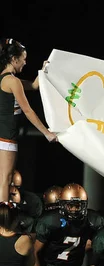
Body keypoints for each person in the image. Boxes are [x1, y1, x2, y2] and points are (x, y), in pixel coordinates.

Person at [0, 38, 57, 201]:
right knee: (5, 180)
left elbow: (33, 85)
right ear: (14, 59)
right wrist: (47, 133)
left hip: (4, 135)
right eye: (23, 59)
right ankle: (3, 224)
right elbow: (28, 110)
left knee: (3, 179)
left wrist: (43, 70)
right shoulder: (12, 81)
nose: (25, 63)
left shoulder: (6, 79)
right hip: (5, 137)